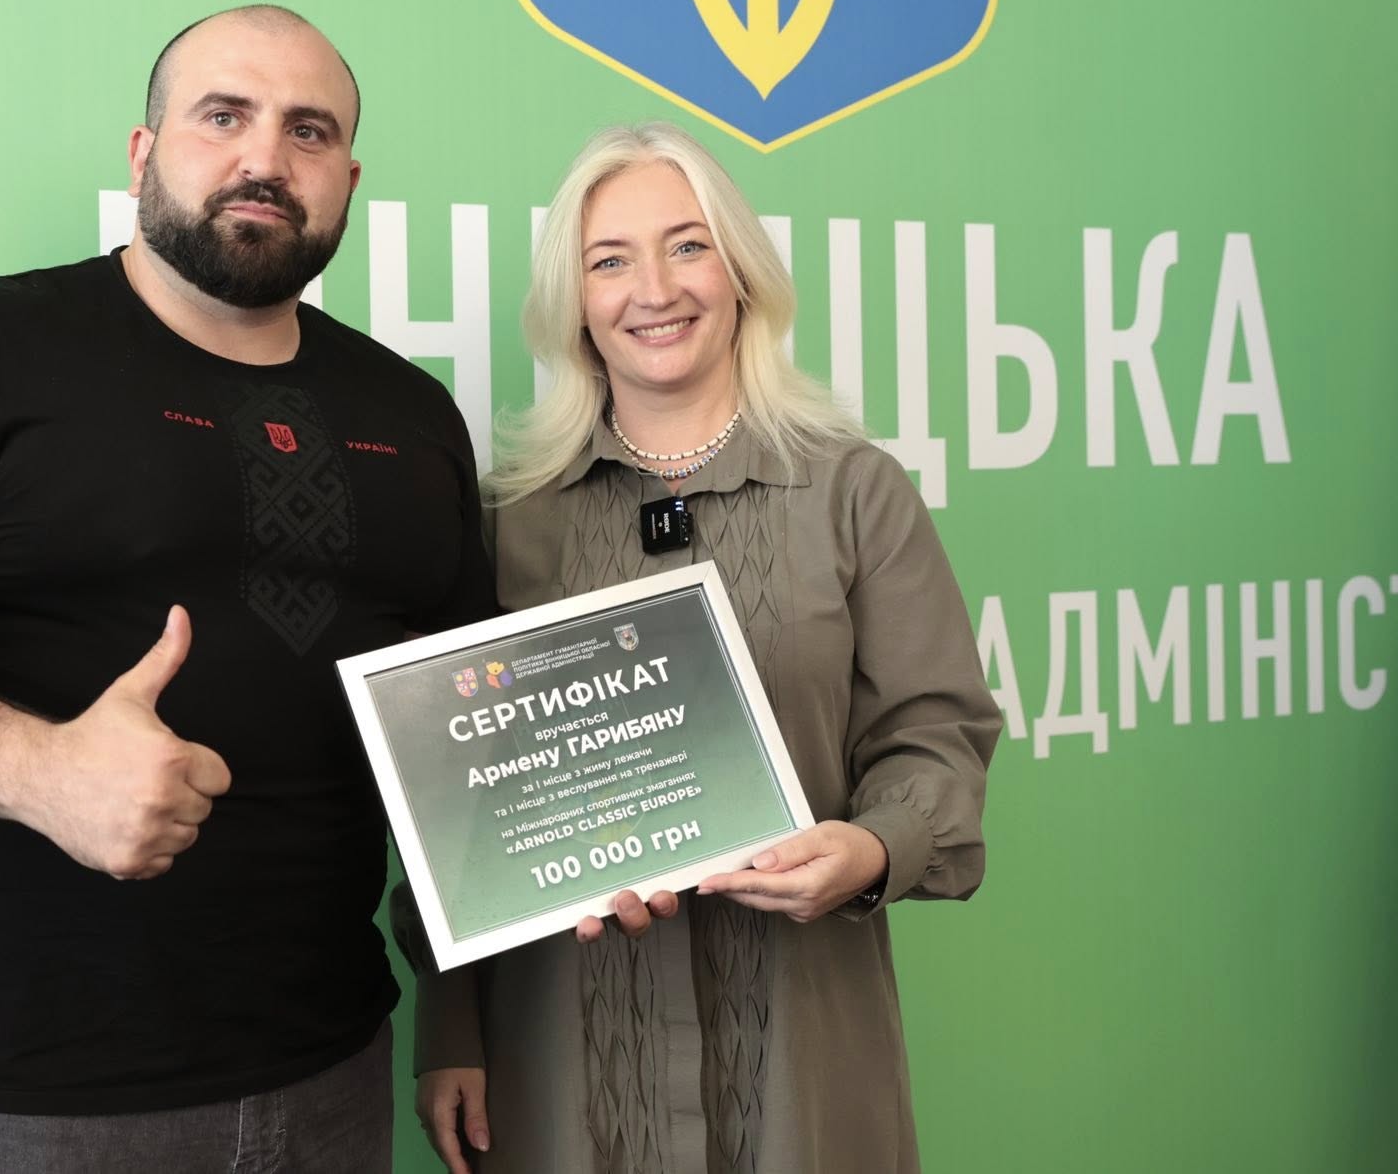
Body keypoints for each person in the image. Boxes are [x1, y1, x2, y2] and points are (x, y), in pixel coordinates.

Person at [0, 4, 494, 1174]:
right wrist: (34, 767)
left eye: (307, 131)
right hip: (41, 1102)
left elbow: (462, 735)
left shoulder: (413, 412)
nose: (263, 157)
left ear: (346, 179)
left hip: (337, 1070)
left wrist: (474, 994)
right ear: (143, 153)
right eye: (221, 116)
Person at [398, 122, 1002, 1173]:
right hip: (563, 1058)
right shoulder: (505, 518)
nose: (654, 289)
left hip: (801, 1053)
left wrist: (871, 850)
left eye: (688, 245)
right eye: (609, 260)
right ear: (574, 303)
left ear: (740, 272)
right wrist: (450, 1027)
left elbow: (935, 731)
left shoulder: (853, 490)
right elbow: (448, 807)